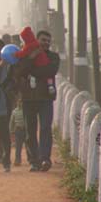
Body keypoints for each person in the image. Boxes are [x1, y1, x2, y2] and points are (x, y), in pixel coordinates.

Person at [18, 30, 60, 172]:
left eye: (48, 41)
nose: (46, 43)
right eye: (43, 40)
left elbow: (49, 71)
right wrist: (31, 58)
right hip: (28, 98)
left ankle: (45, 159)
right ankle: (34, 160)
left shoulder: (54, 57)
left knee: (45, 129)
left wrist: (32, 69)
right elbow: (20, 72)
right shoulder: (26, 55)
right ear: (36, 40)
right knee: (30, 131)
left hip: (45, 98)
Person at [10, 96, 26, 167]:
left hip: (25, 129)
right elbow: (12, 122)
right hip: (18, 130)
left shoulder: (26, 110)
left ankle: (32, 159)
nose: (20, 103)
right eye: (19, 101)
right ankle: (17, 160)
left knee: (29, 145)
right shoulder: (14, 112)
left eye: (21, 101)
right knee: (18, 146)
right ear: (16, 102)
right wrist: (11, 131)